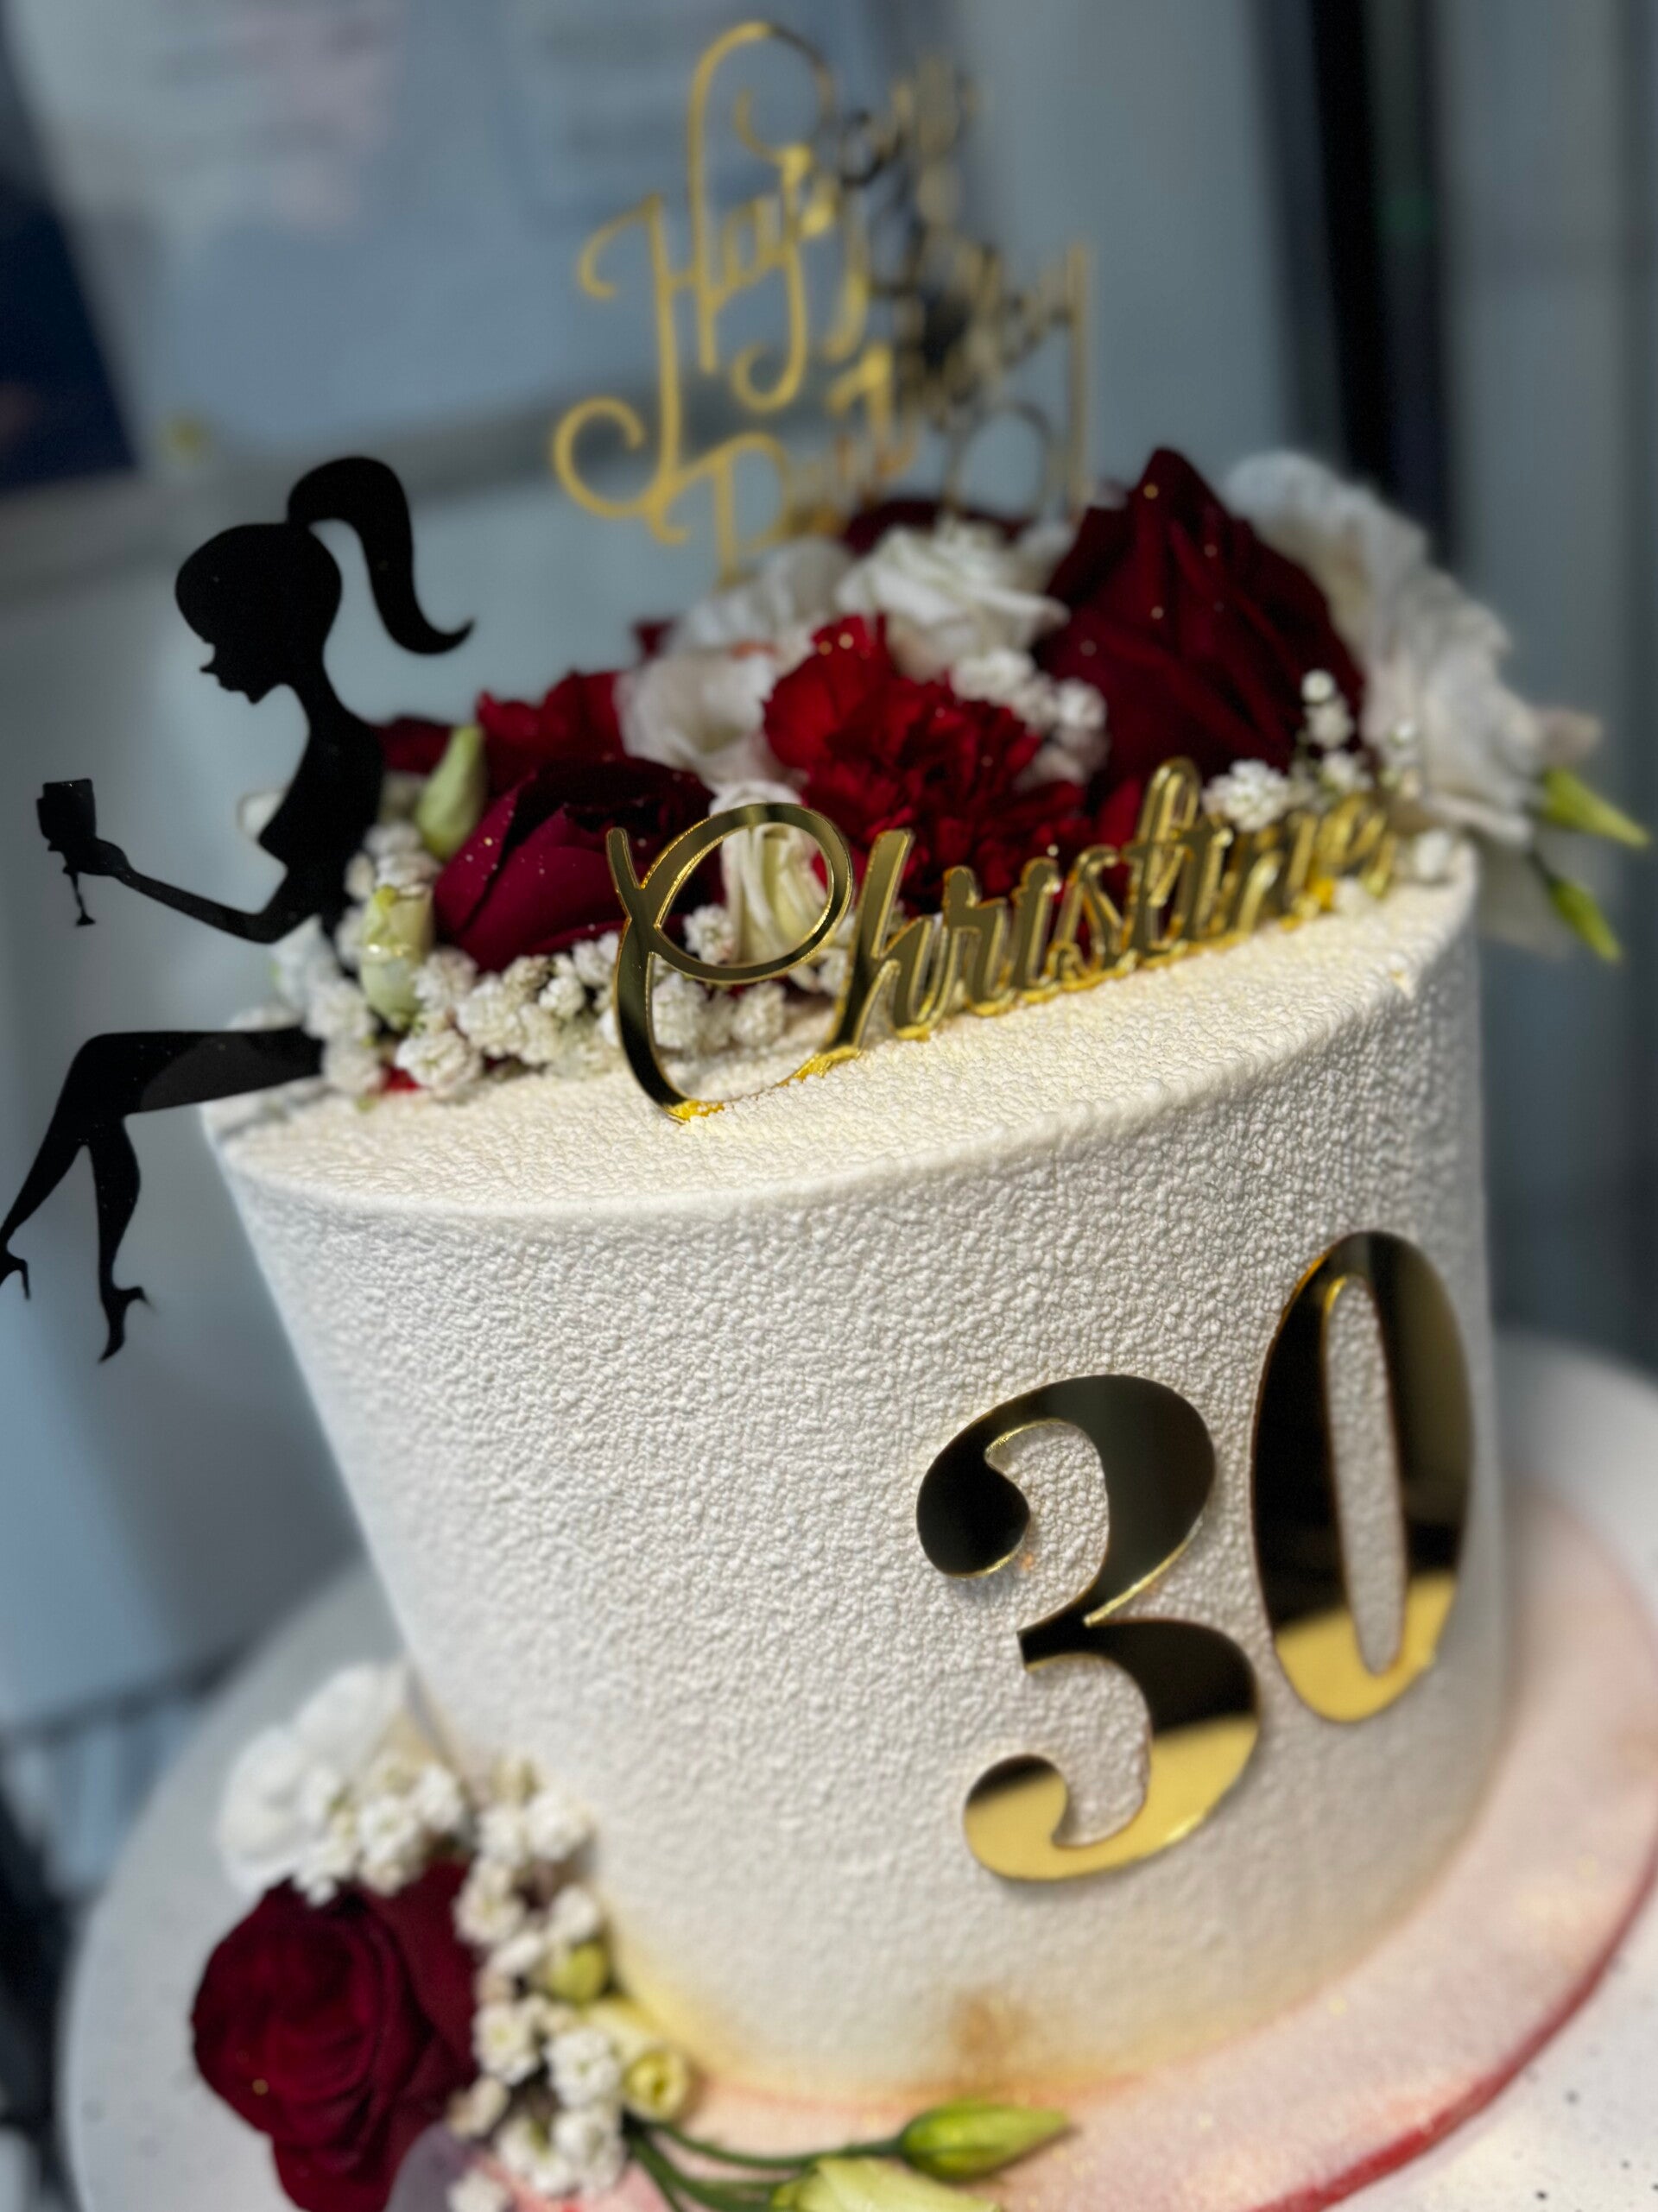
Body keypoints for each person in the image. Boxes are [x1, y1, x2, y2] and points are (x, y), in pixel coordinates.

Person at [0, 457, 471, 1356]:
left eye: (220, 640)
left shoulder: (342, 755)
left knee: (104, 1071)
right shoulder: (332, 745)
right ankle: (79, 1268)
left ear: (276, 632)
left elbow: (270, 924)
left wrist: (128, 876)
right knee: (105, 1074)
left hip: (344, 1027)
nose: (212, 665)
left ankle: (56, 1258)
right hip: (329, 1003)